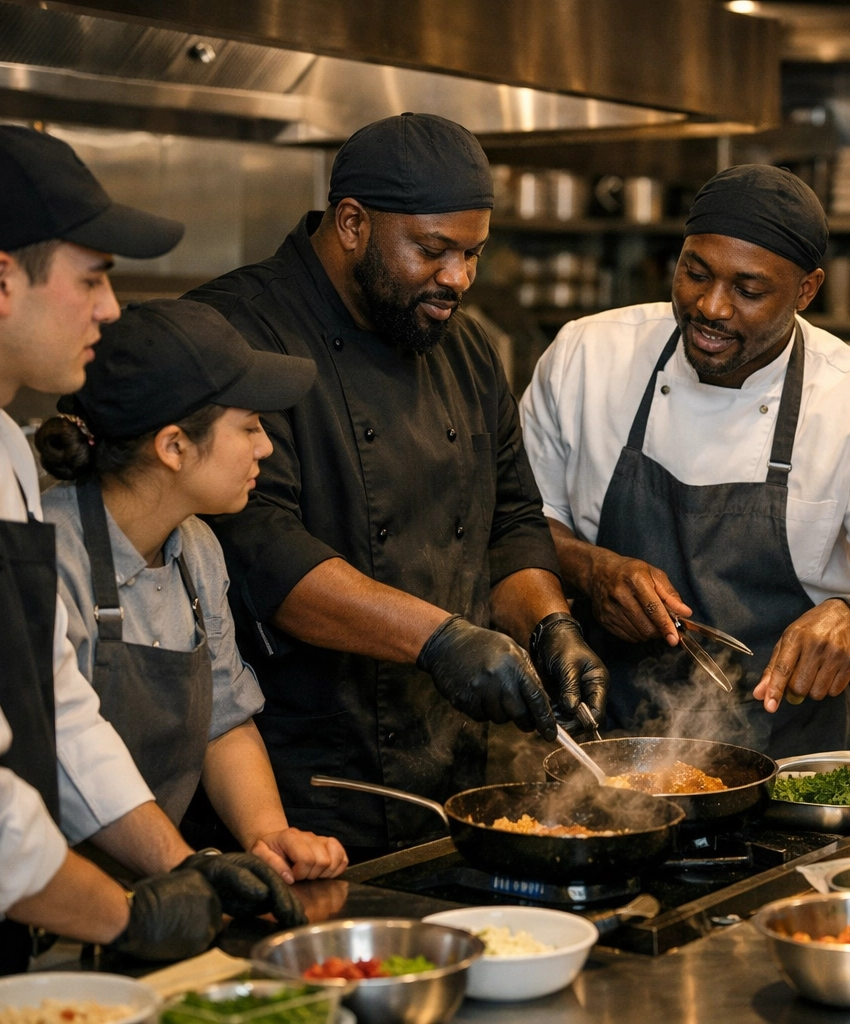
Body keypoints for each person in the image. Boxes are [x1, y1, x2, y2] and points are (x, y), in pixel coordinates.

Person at [0, 125, 300, 1002]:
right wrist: (128, 916)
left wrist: (181, 868)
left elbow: (57, 709)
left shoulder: (1, 451)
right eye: (92, 279)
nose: (108, 308)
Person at [187, 113, 607, 858]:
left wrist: (549, 626)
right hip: (299, 786)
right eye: (434, 251)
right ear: (351, 223)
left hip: (449, 768)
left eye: (473, 254)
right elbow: (262, 553)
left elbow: (510, 521)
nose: (459, 280)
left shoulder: (467, 348)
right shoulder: (238, 335)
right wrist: (442, 641)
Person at [520, 164, 850, 757]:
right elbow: (515, 525)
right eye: (695, 273)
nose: (711, 307)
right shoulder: (587, 356)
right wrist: (591, 568)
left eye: (749, 290)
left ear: (807, 290)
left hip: (785, 760)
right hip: (600, 742)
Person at [35, 299, 347, 884]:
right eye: (250, 427)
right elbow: (60, 757)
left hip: (157, 882)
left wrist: (267, 834)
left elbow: (223, 720)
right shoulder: (47, 558)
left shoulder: (197, 549)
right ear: (173, 446)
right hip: (53, 896)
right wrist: (180, 869)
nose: (266, 449)